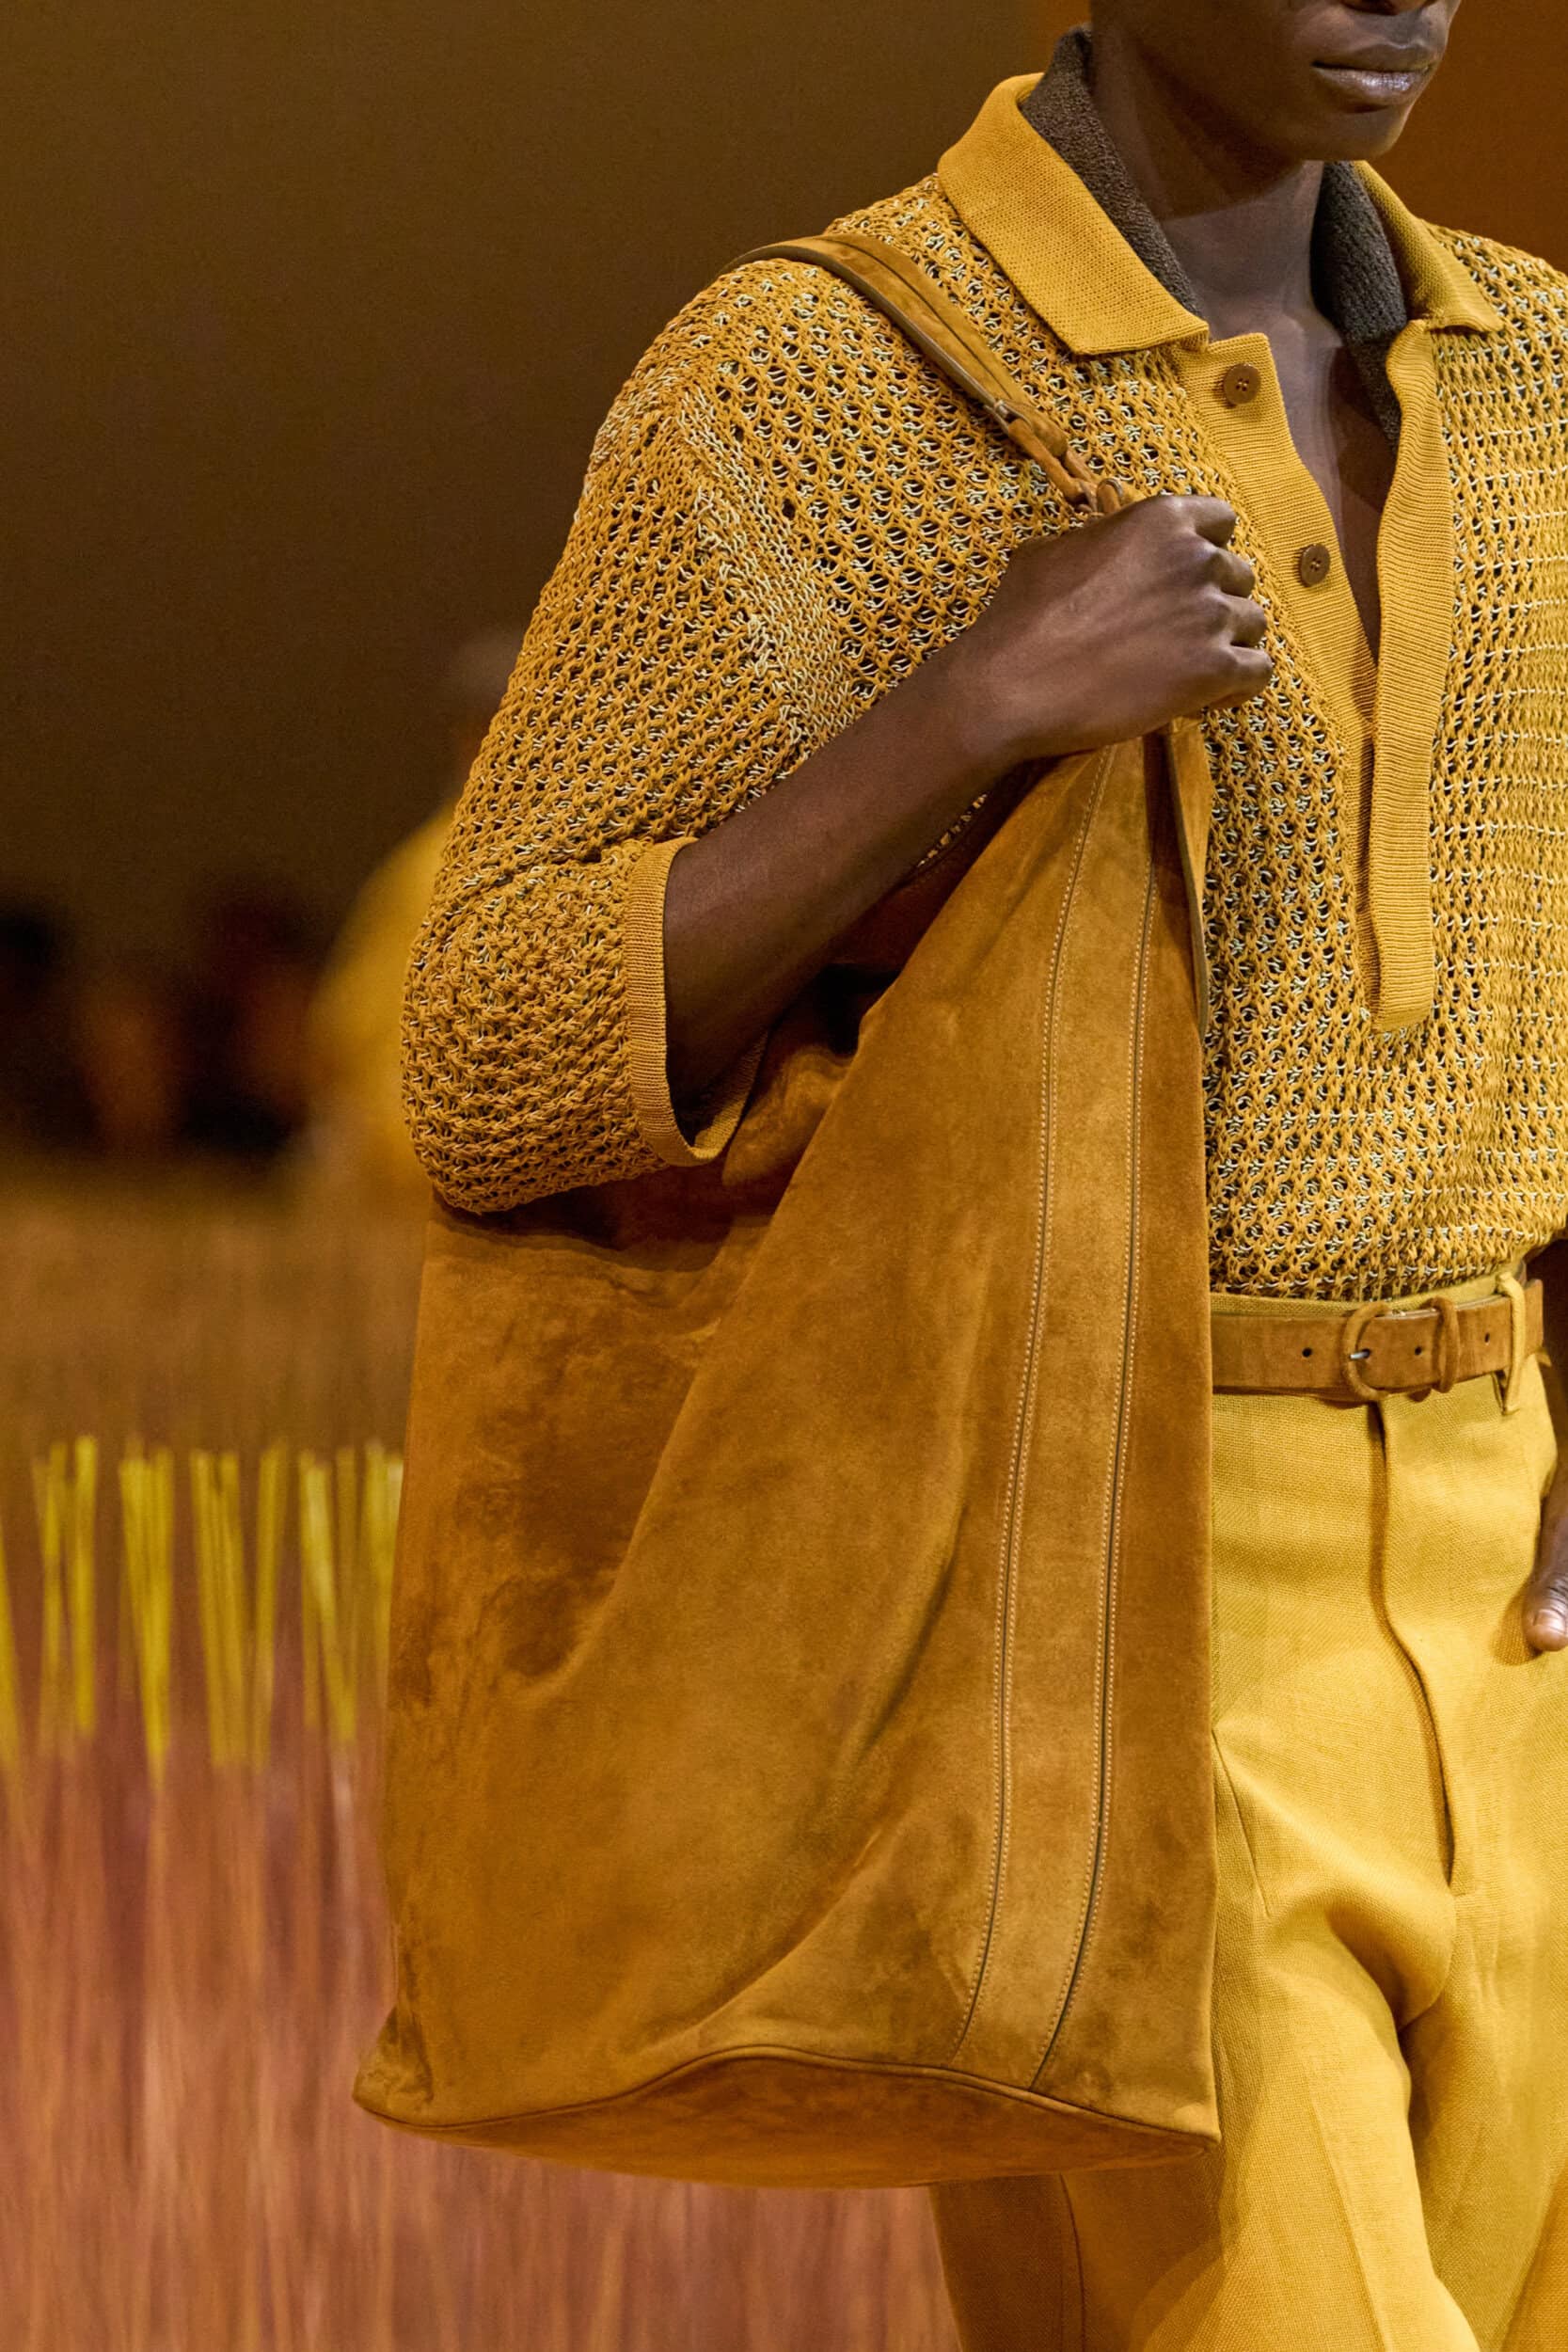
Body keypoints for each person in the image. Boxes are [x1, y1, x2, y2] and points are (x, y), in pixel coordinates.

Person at [397, 7, 1568, 2344]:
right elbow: (483, 1044)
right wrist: (969, 705)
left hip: (1515, 1573)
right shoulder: (822, 380)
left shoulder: (1533, 372)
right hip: (1100, 1591)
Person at [304, 628, 523, 1202]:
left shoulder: (433, 864)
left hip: (454, 1188)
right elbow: (338, 1039)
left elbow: (333, 1036)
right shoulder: (434, 870)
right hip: (428, 1192)